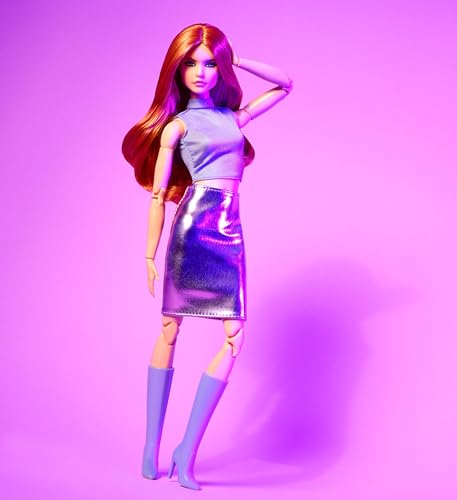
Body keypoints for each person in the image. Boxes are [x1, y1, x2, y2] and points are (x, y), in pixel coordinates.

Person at [122, 22, 292, 491]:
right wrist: (149, 256)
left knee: (234, 338)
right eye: (191, 63)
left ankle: (187, 451)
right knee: (170, 328)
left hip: (229, 230)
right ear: (177, 70)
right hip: (193, 225)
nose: (200, 72)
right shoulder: (177, 127)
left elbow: (285, 84)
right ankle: (151, 447)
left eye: (210, 63)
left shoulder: (232, 118)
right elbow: (158, 196)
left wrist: (236, 58)